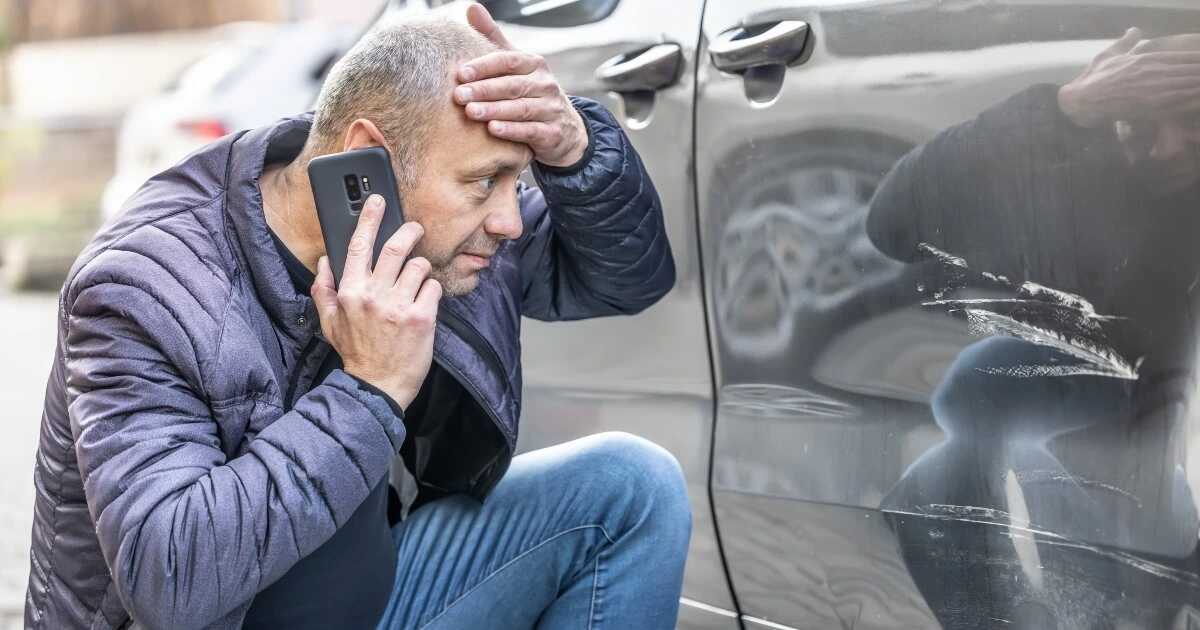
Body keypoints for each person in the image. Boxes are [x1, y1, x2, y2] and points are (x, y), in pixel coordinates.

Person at [24, 6, 691, 629]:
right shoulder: (145, 286)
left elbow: (624, 280)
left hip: (388, 599)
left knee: (631, 489)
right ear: (367, 158)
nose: (510, 220)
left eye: (520, 180)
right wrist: (368, 390)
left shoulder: (440, 237)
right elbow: (168, 579)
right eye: (485, 181)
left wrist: (577, 151)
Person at [868, 28, 1200, 629]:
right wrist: (1066, 107)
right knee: (941, 464)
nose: (1168, 149)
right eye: (1145, 124)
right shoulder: (1087, 171)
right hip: (1125, 495)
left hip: (1154, 491)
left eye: (1194, 120)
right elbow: (894, 221)